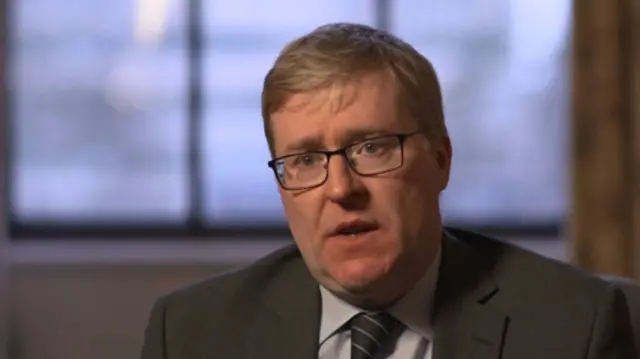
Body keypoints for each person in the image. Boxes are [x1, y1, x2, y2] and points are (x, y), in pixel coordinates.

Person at [141, 23, 637, 359]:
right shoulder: (192, 333)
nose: (340, 188)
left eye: (372, 148)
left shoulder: (573, 328)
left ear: (441, 160)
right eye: (307, 160)